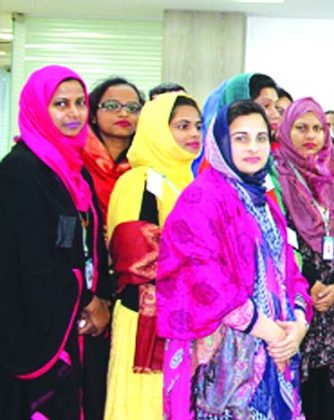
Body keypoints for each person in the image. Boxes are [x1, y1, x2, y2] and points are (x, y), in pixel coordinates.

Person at [157, 101, 311, 418]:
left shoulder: (264, 198)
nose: (253, 148)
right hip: (227, 360)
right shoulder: (202, 197)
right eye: (240, 138)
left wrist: (299, 323)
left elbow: (290, 269)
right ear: (221, 142)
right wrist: (270, 331)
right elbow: (204, 278)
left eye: (261, 137)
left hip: (277, 348)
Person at [0, 65, 112, 420]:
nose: (74, 113)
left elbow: (90, 241)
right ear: (37, 109)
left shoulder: (73, 169)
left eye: (80, 103)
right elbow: (31, 257)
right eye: (60, 104)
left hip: (76, 324)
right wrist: (86, 301)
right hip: (39, 326)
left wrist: (99, 300)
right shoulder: (21, 172)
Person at [104, 92, 202, 419]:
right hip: (146, 321)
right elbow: (137, 258)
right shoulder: (139, 180)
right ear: (158, 130)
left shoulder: (189, 182)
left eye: (198, 126)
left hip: (185, 320)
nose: (193, 135)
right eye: (182, 126)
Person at [269, 97, 334, 419]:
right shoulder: (275, 178)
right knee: (295, 392)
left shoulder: (331, 176)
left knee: (329, 397)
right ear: (286, 131)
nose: (311, 135)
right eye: (301, 127)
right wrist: (309, 284)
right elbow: (278, 239)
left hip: (331, 307)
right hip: (296, 304)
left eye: (318, 128)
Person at [83, 77, 145, 221]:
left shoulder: (147, 163)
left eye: (133, 108)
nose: (124, 114)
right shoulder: (77, 162)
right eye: (112, 106)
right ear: (92, 115)